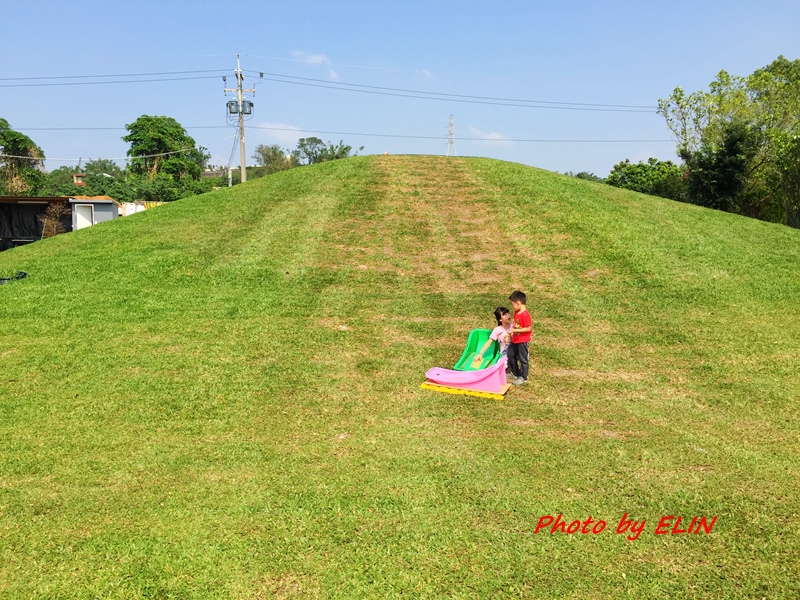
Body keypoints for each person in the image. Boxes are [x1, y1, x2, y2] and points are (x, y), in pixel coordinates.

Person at [507, 290, 532, 385]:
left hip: (523, 341)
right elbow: (517, 325)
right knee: (510, 354)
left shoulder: (525, 314)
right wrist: (513, 331)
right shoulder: (517, 312)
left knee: (523, 359)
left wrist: (516, 331)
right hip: (516, 339)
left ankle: (523, 377)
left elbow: (528, 328)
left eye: (512, 304)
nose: (512, 306)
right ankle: (514, 372)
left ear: (518, 303)